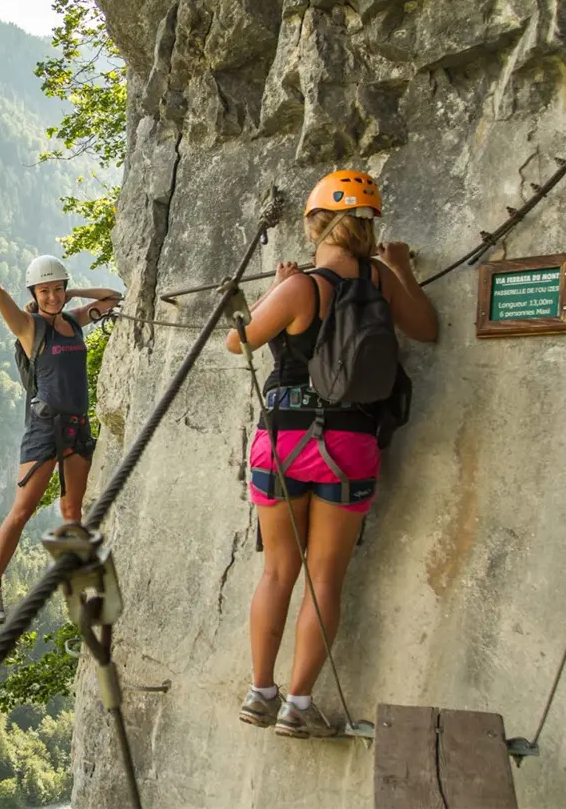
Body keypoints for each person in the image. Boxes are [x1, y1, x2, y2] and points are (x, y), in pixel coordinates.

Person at [225, 170, 438, 738]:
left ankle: (260, 691)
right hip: (350, 445)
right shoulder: (382, 281)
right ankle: (298, 704)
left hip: (284, 442)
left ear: (314, 223)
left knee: (276, 571)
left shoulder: (301, 287)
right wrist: (404, 270)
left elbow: (237, 340)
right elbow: (427, 328)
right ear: (370, 227)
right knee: (325, 580)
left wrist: (279, 288)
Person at [0, 225, 122, 623]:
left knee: (73, 512)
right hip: (43, 429)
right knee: (22, 510)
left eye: (57, 289)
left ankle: (82, 591)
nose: (51, 296)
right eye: (44, 290)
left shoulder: (74, 320)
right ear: (33, 295)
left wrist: (74, 294)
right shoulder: (29, 328)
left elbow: (113, 297)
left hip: (75, 429)